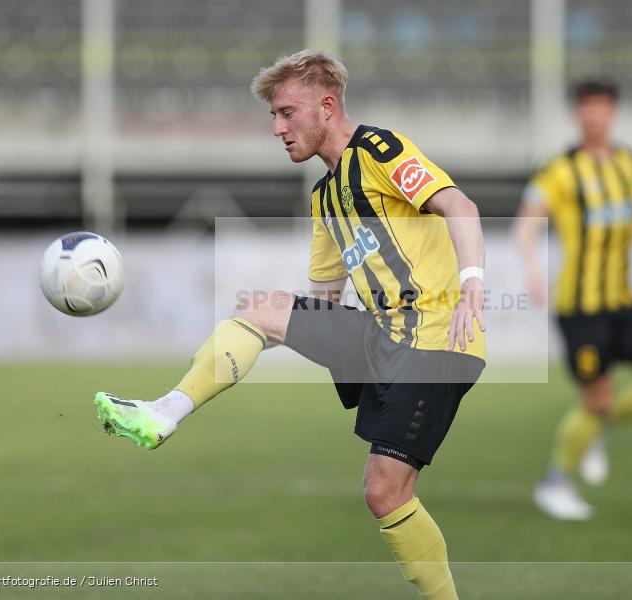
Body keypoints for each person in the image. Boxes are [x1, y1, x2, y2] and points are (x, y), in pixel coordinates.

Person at [93, 49, 486, 599]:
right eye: (273, 117)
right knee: (258, 307)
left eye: (286, 113)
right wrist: (266, 335)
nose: (277, 128)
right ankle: (164, 412)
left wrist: (472, 280)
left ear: (327, 106)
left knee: (384, 492)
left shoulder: (379, 150)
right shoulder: (325, 195)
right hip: (382, 339)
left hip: (436, 342)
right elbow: (323, 299)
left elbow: (460, 207)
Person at [515, 79, 632, 520]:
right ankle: (555, 484)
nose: (595, 116)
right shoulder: (559, 169)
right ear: (578, 114)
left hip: (624, 299)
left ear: (613, 112)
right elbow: (526, 225)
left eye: (603, 107)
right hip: (580, 306)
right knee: (597, 396)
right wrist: (533, 268)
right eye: (588, 108)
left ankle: (597, 428)